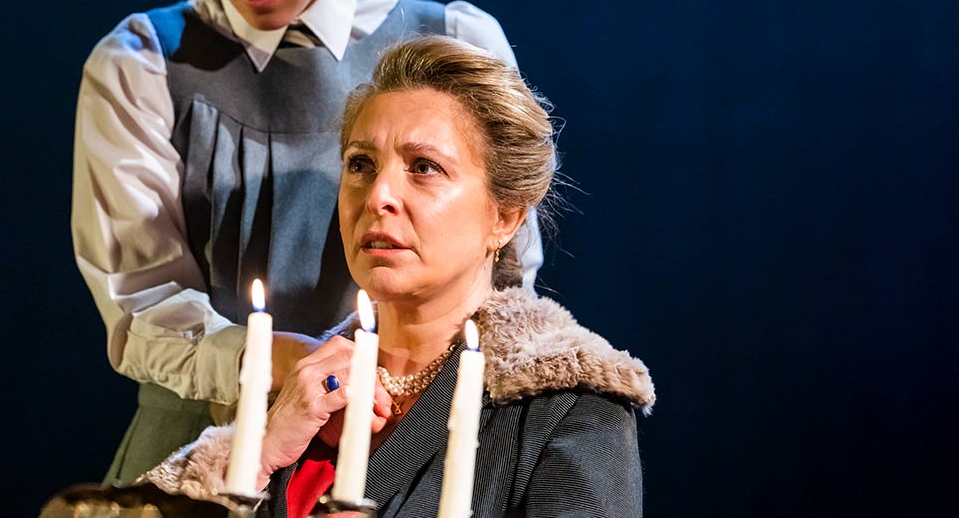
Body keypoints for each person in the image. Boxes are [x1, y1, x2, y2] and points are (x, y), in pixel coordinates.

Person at [70, 0, 543, 484]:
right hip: (205, 448)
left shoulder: (452, 41)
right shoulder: (143, 63)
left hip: (405, 449)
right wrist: (277, 361)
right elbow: (139, 306)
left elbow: (507, 280)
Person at [146, 36, 655, 517]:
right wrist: (255, 457)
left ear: (505, 217)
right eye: (361, 164)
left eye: (425, 167)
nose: (377, 196)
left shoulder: (566, 410)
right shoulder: (292, 397)